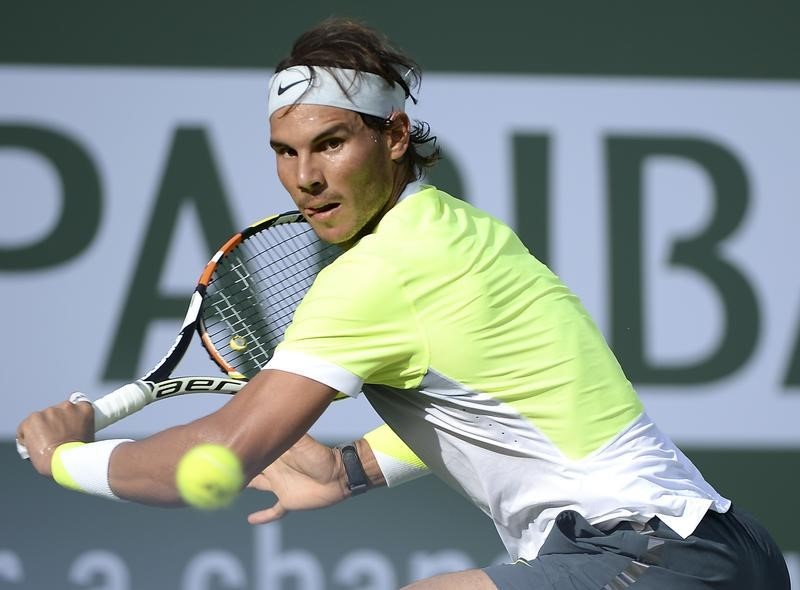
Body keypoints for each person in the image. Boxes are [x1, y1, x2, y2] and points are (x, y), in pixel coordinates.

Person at [18, 17, 790, 590]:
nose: (304, 177)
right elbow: (500, 398)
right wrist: (347, 471)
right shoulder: (459, 232)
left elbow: (212, 460)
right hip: (730, 552)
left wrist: (68, 458)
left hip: (650, 557)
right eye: (285, 152)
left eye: (330, 144)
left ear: (392, 137)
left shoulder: (375, 276)